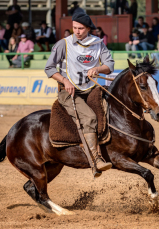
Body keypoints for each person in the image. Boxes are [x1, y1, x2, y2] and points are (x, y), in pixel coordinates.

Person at [44, 12, 114, 176]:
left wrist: (98, 68)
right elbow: (49, 68)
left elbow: (109, 64)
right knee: (89, 117)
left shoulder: (98, 44)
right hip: (69, 92)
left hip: (91, 88)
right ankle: (95, 159)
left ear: (88, 28)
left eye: (81, 28)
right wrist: (65, 80)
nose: (77, 31)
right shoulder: (63, 44)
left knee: (110, 107)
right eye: (74, 27)